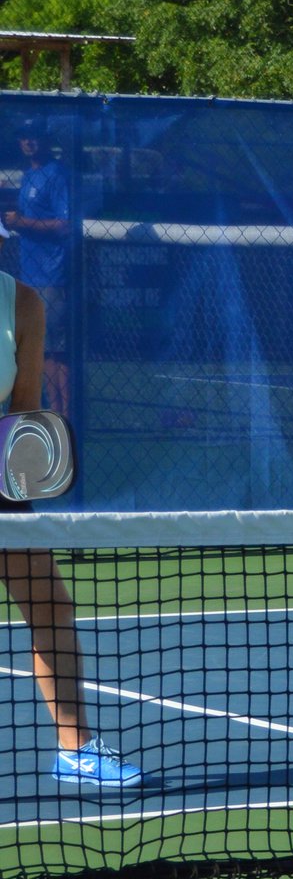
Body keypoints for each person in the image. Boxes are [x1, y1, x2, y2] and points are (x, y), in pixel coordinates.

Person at [2, 278, 138, 790]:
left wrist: (19, 466)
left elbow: (23, 412)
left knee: (50, 605)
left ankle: (75, 750)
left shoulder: (22, 304)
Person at [6, 125, 72, 405]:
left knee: (58, 350)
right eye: (23, 136)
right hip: (30, 275)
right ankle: (55, 410)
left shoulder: (56, 174)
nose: (28, 141)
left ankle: (67, 417)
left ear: (45, 139)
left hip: (52, 276)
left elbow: (64, 224)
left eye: (34, 136)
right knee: (43, 350)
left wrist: (21, 223)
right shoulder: (30, 175)